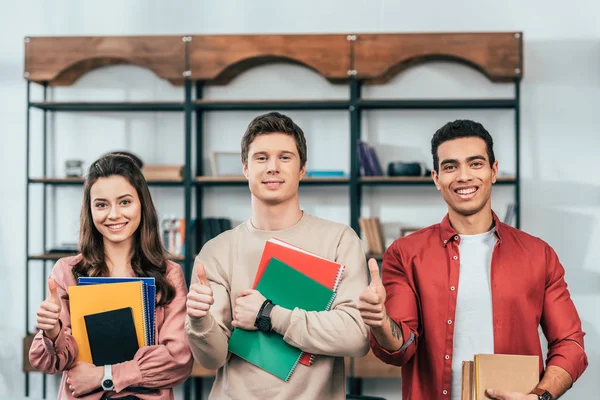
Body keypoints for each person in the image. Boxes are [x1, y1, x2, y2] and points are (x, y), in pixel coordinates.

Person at [358, 120, 588, 400]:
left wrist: (540, 396)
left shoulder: (539, 254)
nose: (464, 176)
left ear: (493, 171)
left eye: (475, 164)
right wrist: (381, 323)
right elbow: (400, 349)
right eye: (450, 166)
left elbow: (570, 344)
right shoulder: (405, 253)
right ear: (436, 178)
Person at [185, 111, 370, 399]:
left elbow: (357, 336)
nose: (273, 167)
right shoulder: (217, 251)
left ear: (302, 168)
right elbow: (212, 358)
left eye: (285, 157)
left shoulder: (338, 240)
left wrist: (269, 314)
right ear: (245, 168)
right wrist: (198, 322)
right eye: (261, 158)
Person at [29, 154, 193, 400]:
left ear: (142, 204)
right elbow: (48, 362)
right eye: (102, 204)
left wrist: (104, 376)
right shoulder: (66, 271)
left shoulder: (169, 274)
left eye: (125, 202)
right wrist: (52, 331)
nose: (114, 214)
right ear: (90, 210)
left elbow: (178, 360)